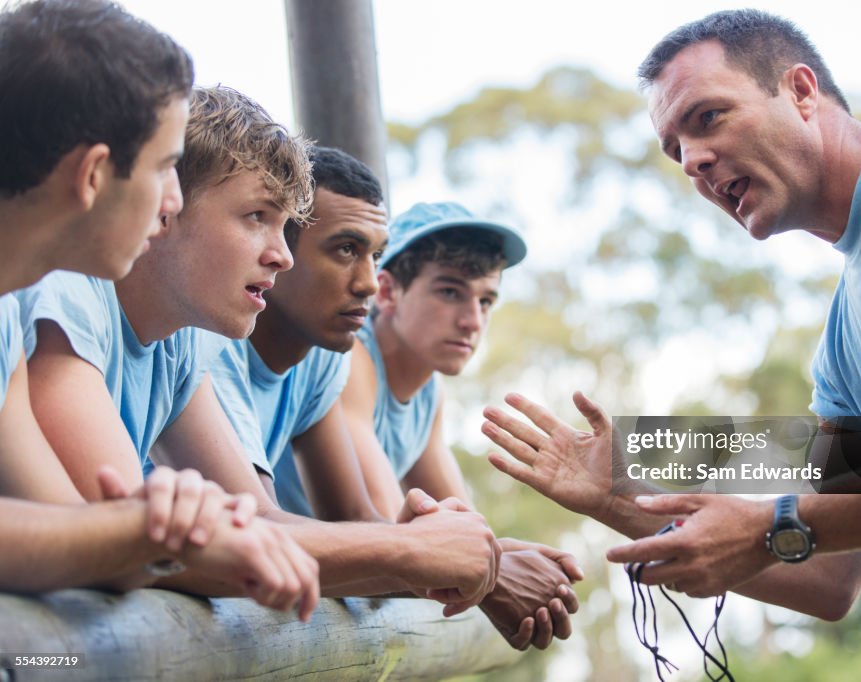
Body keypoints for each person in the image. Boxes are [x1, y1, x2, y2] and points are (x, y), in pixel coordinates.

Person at [482, 9, 861, 681]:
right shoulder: (846, 343)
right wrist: (617, 498)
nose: (693, 161)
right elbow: (829, 577)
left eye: (708, 117)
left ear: (801, 91)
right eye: (675, 149)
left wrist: (775, 522)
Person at [20, 85, 502, 608]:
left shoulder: (185, 340)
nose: (282, 256)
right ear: (169, 203)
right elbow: (122, 541)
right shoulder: (68, 290)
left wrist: (413, 554)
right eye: (257, 217)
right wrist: (401, 549)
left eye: (283, 226)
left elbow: (257, 520)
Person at [0, 0, 319, 615]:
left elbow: (62, 534)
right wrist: (144, 532)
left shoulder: (9, 310)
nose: (172, 201)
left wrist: (155, 529)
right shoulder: (54, 300)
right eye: (168, 167)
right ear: (94, 173)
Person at [246, 187, 580, 649]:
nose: (471, 320)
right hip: (278, 577)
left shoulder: (429, 394)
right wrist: (498, 567)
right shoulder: (352, 361)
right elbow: (394, 531)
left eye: (485, 301)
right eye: (450, 292)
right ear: (388, 291)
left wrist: (529, 562)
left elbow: (463, 530)